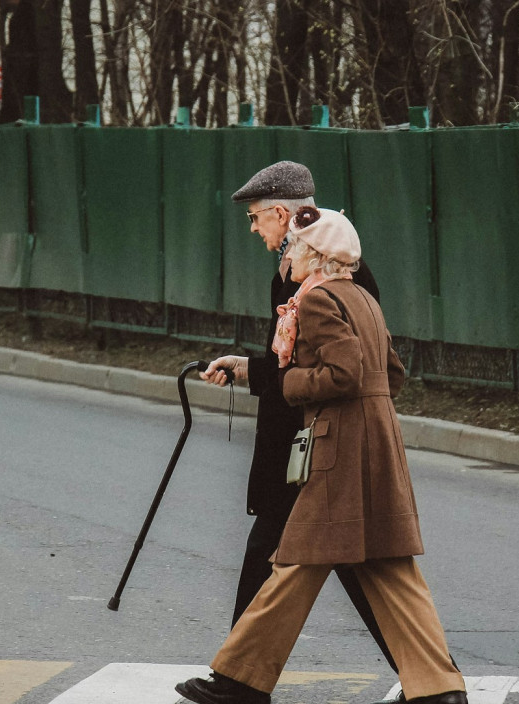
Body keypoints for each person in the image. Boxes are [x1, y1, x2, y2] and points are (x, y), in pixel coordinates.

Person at [179, 207, 467, 704]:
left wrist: (291, 383)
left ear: (312, 253)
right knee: (389, 567)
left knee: (295, 563)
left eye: (292, 247)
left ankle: (240, 682)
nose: (286, 255)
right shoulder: (362, 300)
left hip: (338, 448)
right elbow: (391, 374)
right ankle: (439, 690)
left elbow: (345, 374)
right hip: (378, 443)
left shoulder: (317, 302)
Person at [199, 162, 403, 699]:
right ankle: (238, 681)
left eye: (256, 218)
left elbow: (331, 371)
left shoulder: (321, 282)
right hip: (310, 443)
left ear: (283, 215)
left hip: (315, 445)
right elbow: (289, 362)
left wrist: (255, 371)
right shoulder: (312, 275)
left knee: (303, 559)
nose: (254, 230)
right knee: (332, 565)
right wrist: (247, 367)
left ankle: (238, 682)